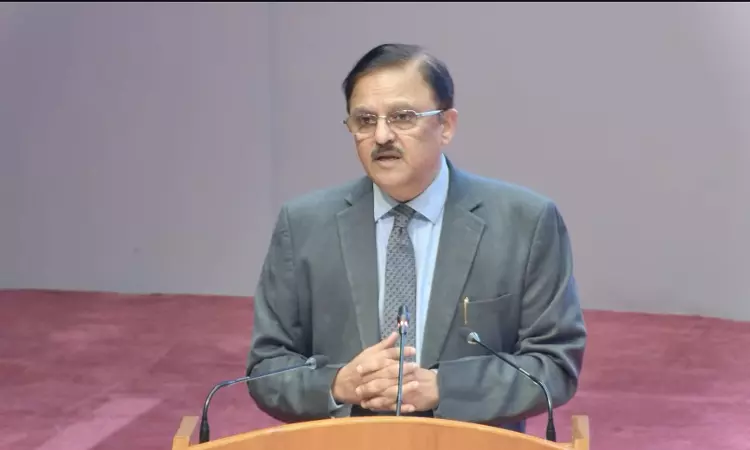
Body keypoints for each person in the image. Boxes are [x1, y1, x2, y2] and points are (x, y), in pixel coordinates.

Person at [246, 42, 587, 433]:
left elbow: (554, 364)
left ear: (446, 126)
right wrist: (337, 385)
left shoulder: (524, 223)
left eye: (402, 117)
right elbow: (266, 367)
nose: (381, 136)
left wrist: (443, 389)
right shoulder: (304, 225)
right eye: (365, 120)